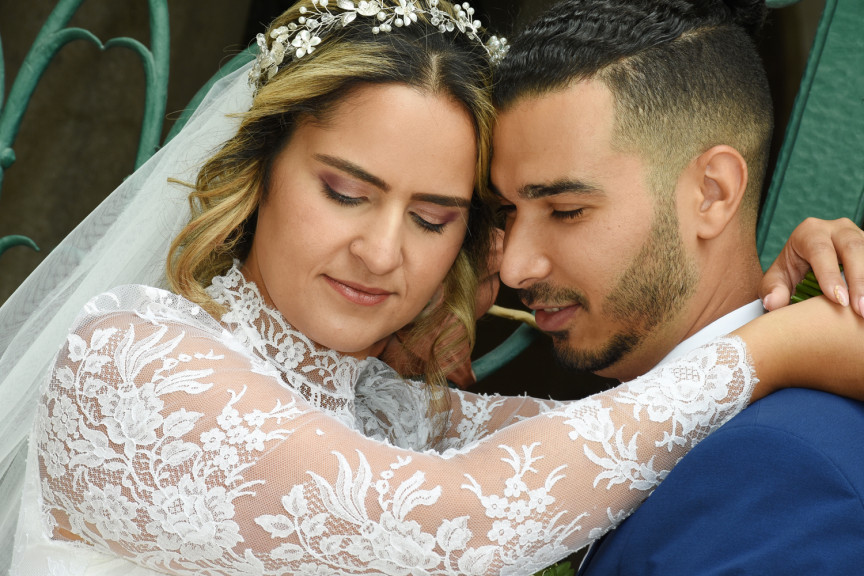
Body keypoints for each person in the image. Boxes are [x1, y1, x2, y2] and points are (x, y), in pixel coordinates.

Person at [1, 1, 862, 575]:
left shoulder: (397, 414)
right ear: (259, 173)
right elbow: (461, 524)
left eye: (433, 216)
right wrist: (780, 344)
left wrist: (802, 290)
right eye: (346, 192)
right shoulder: (133, 361)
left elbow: (635, 430)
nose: (381, 252)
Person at [488, 0, 864, 573]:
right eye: (506, 213)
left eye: (566, 210)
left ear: (713, 193)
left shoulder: (778, 462)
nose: (515, 268)